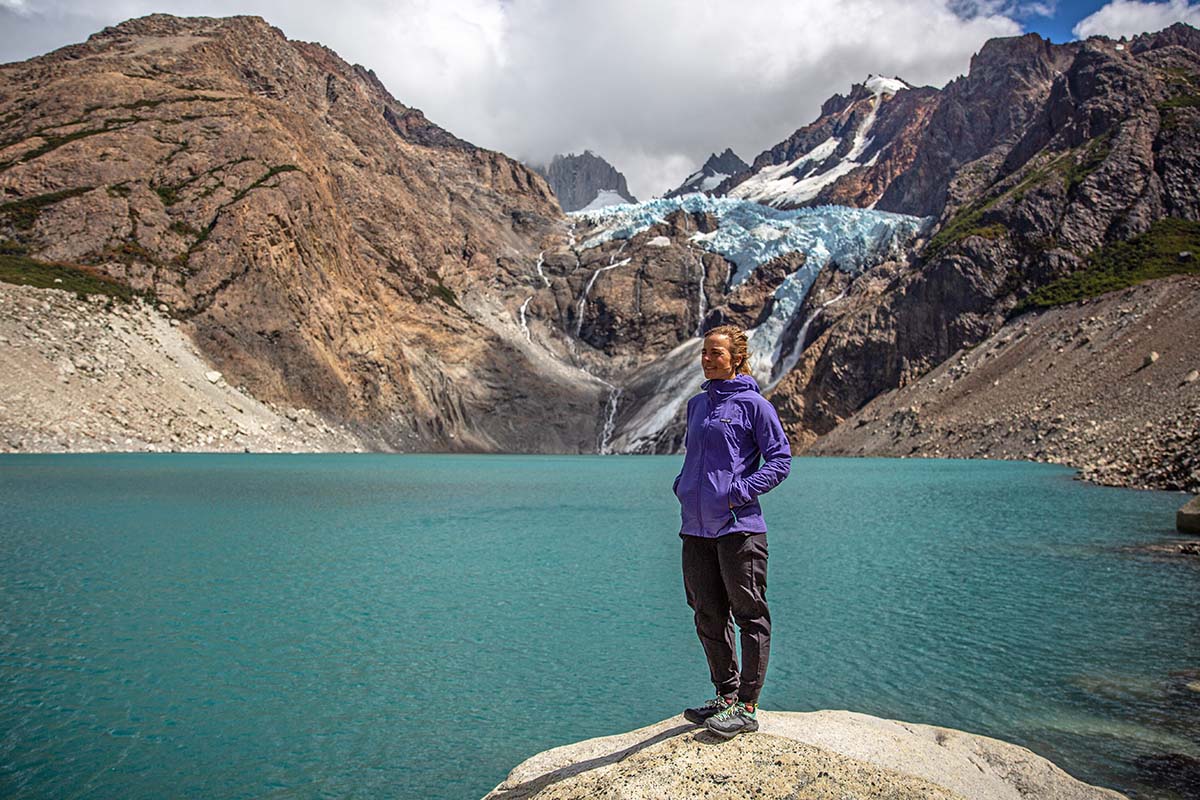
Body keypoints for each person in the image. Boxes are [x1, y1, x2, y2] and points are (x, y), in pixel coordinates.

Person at [672, 324, 792, 739]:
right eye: (704, 352)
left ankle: (747, 706)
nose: (707, 359)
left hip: (739, 527)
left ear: (737, 358)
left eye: (717, 353)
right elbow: (696, 460)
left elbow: (780, 460)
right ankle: (725, 696)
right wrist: (683, 486)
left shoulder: (755, 405)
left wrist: (737, 491)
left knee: (749, 613)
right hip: (696, 528)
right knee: (707, 611)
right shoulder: (697, 405)